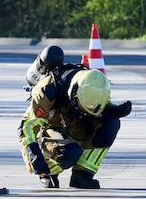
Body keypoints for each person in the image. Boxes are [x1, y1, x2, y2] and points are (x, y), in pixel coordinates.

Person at [19, 46, 132, 189]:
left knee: (111, 123)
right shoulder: (46, 91)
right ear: (73, 95)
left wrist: (112, 109)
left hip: (76, 124)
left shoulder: (91, 82)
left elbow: (101, 104)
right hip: (50, 130)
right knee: (69, 153)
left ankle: (82, 175)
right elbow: (27, 127)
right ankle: (47, 172)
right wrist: (33, 155)